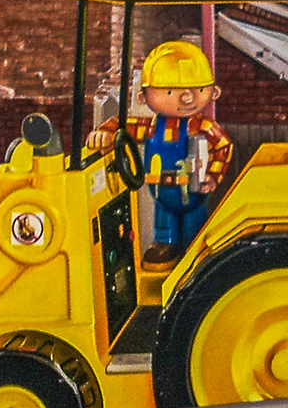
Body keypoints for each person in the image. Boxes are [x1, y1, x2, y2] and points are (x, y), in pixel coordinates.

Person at [89, 40, 234, 267]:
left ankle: (194, 251)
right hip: (161, 194)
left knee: (194, 232)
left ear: (213, 92)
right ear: (143, 97)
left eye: (197, 90)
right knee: (164, 224)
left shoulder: (203, 127)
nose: (187, 98)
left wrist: (213, 176)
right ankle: (165, 242)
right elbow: (122, 126)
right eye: (170, 92)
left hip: (194, 193)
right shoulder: (151, 127)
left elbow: (223, 146)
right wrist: (105, 133)